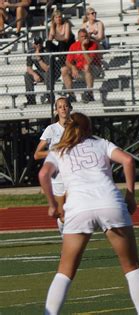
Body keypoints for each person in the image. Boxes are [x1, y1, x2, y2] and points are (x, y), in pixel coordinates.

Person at [38, 112, 139, 315]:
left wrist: (52, 205)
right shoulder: (101, 143)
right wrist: (131, 195)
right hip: (110, 202)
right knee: (132, 266)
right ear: (89, 128)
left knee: (65, 271)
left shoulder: (58, 150)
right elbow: (128, 161)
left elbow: (43, 174)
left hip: (79, 207)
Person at [34, 96, 73, 235]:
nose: (63, 108)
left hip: (74, 174)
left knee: (73, 209)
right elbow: (37, 154)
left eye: (65, 106)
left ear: (70, 108)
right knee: (62, 213)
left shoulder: (76, 128)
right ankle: (64, 237)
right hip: (58, 177)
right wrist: (54, 152)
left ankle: (71, 244)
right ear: (56, 110)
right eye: (60, 106)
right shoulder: (51, 129)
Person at [61, 29, 101, 104]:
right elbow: (67, 61)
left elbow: (89, 61)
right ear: (78, 38)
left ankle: (90, 93)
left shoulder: (93, 45)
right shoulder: (74, 46)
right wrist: (73, 67)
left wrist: (83, 47)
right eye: (82, 37)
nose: (85, 38)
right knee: (64, 70)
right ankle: (71, 95)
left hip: (94, 69)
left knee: (86, 66)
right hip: (80, 70)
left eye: (86, 36)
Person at [24, 36, 57, 106]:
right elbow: (29, 68)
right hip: (40, 72)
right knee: (27, 75)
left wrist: (38, 58)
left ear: (42, 43)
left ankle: (50, 98)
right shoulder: (31, 52)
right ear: (33, 44)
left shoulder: (47, 51)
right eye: (36, 43)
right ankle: (31, 99)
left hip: (52, 72)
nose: (38, 45)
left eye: (39, 43)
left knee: (48, 73)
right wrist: (34, 74)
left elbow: (47, 69)